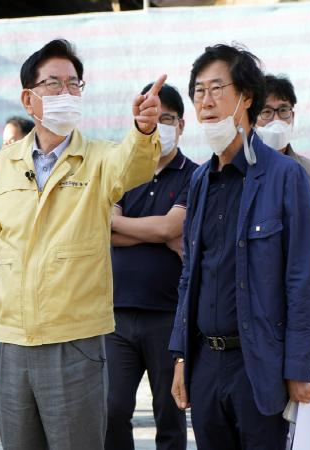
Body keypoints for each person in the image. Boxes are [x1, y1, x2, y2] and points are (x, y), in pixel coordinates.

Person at [0, 38, 165, 450]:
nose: (66, 92)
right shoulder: (3, 165)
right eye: (54, 83)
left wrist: (144, 129)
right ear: (29, 99)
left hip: (74, 343)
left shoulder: (99, 158)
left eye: (74, 83)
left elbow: (133, 165)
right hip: (10, 344)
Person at [168, 44, 310, 450]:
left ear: (247, 97)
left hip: (260, 365)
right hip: (205, 362)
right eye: (199, 91)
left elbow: (303, 277)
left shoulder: (285, 176)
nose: (206, 101)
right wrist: (181, 356)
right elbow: (189, 275)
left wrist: (298, 367)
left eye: (217, 88)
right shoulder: (200, 180)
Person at [106, 82, 197, 450]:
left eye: (168, 119)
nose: (161, 127)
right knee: (111, 410)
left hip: (168, 315)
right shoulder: (125, 171)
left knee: (170, 412)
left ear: (182, 125)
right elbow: (105, 229)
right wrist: (159, 233)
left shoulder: (195, 175)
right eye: (153, 119)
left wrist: (126, 226)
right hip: (116, 314)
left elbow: (171, 227)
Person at [256, 74, 310, 450]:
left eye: (284, 111)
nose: (276, 120)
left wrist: (296, 278)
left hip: (302, 317)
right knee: (261, 414)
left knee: (303, 417)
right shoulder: (242, 172)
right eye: (266, 112)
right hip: (256, 318)